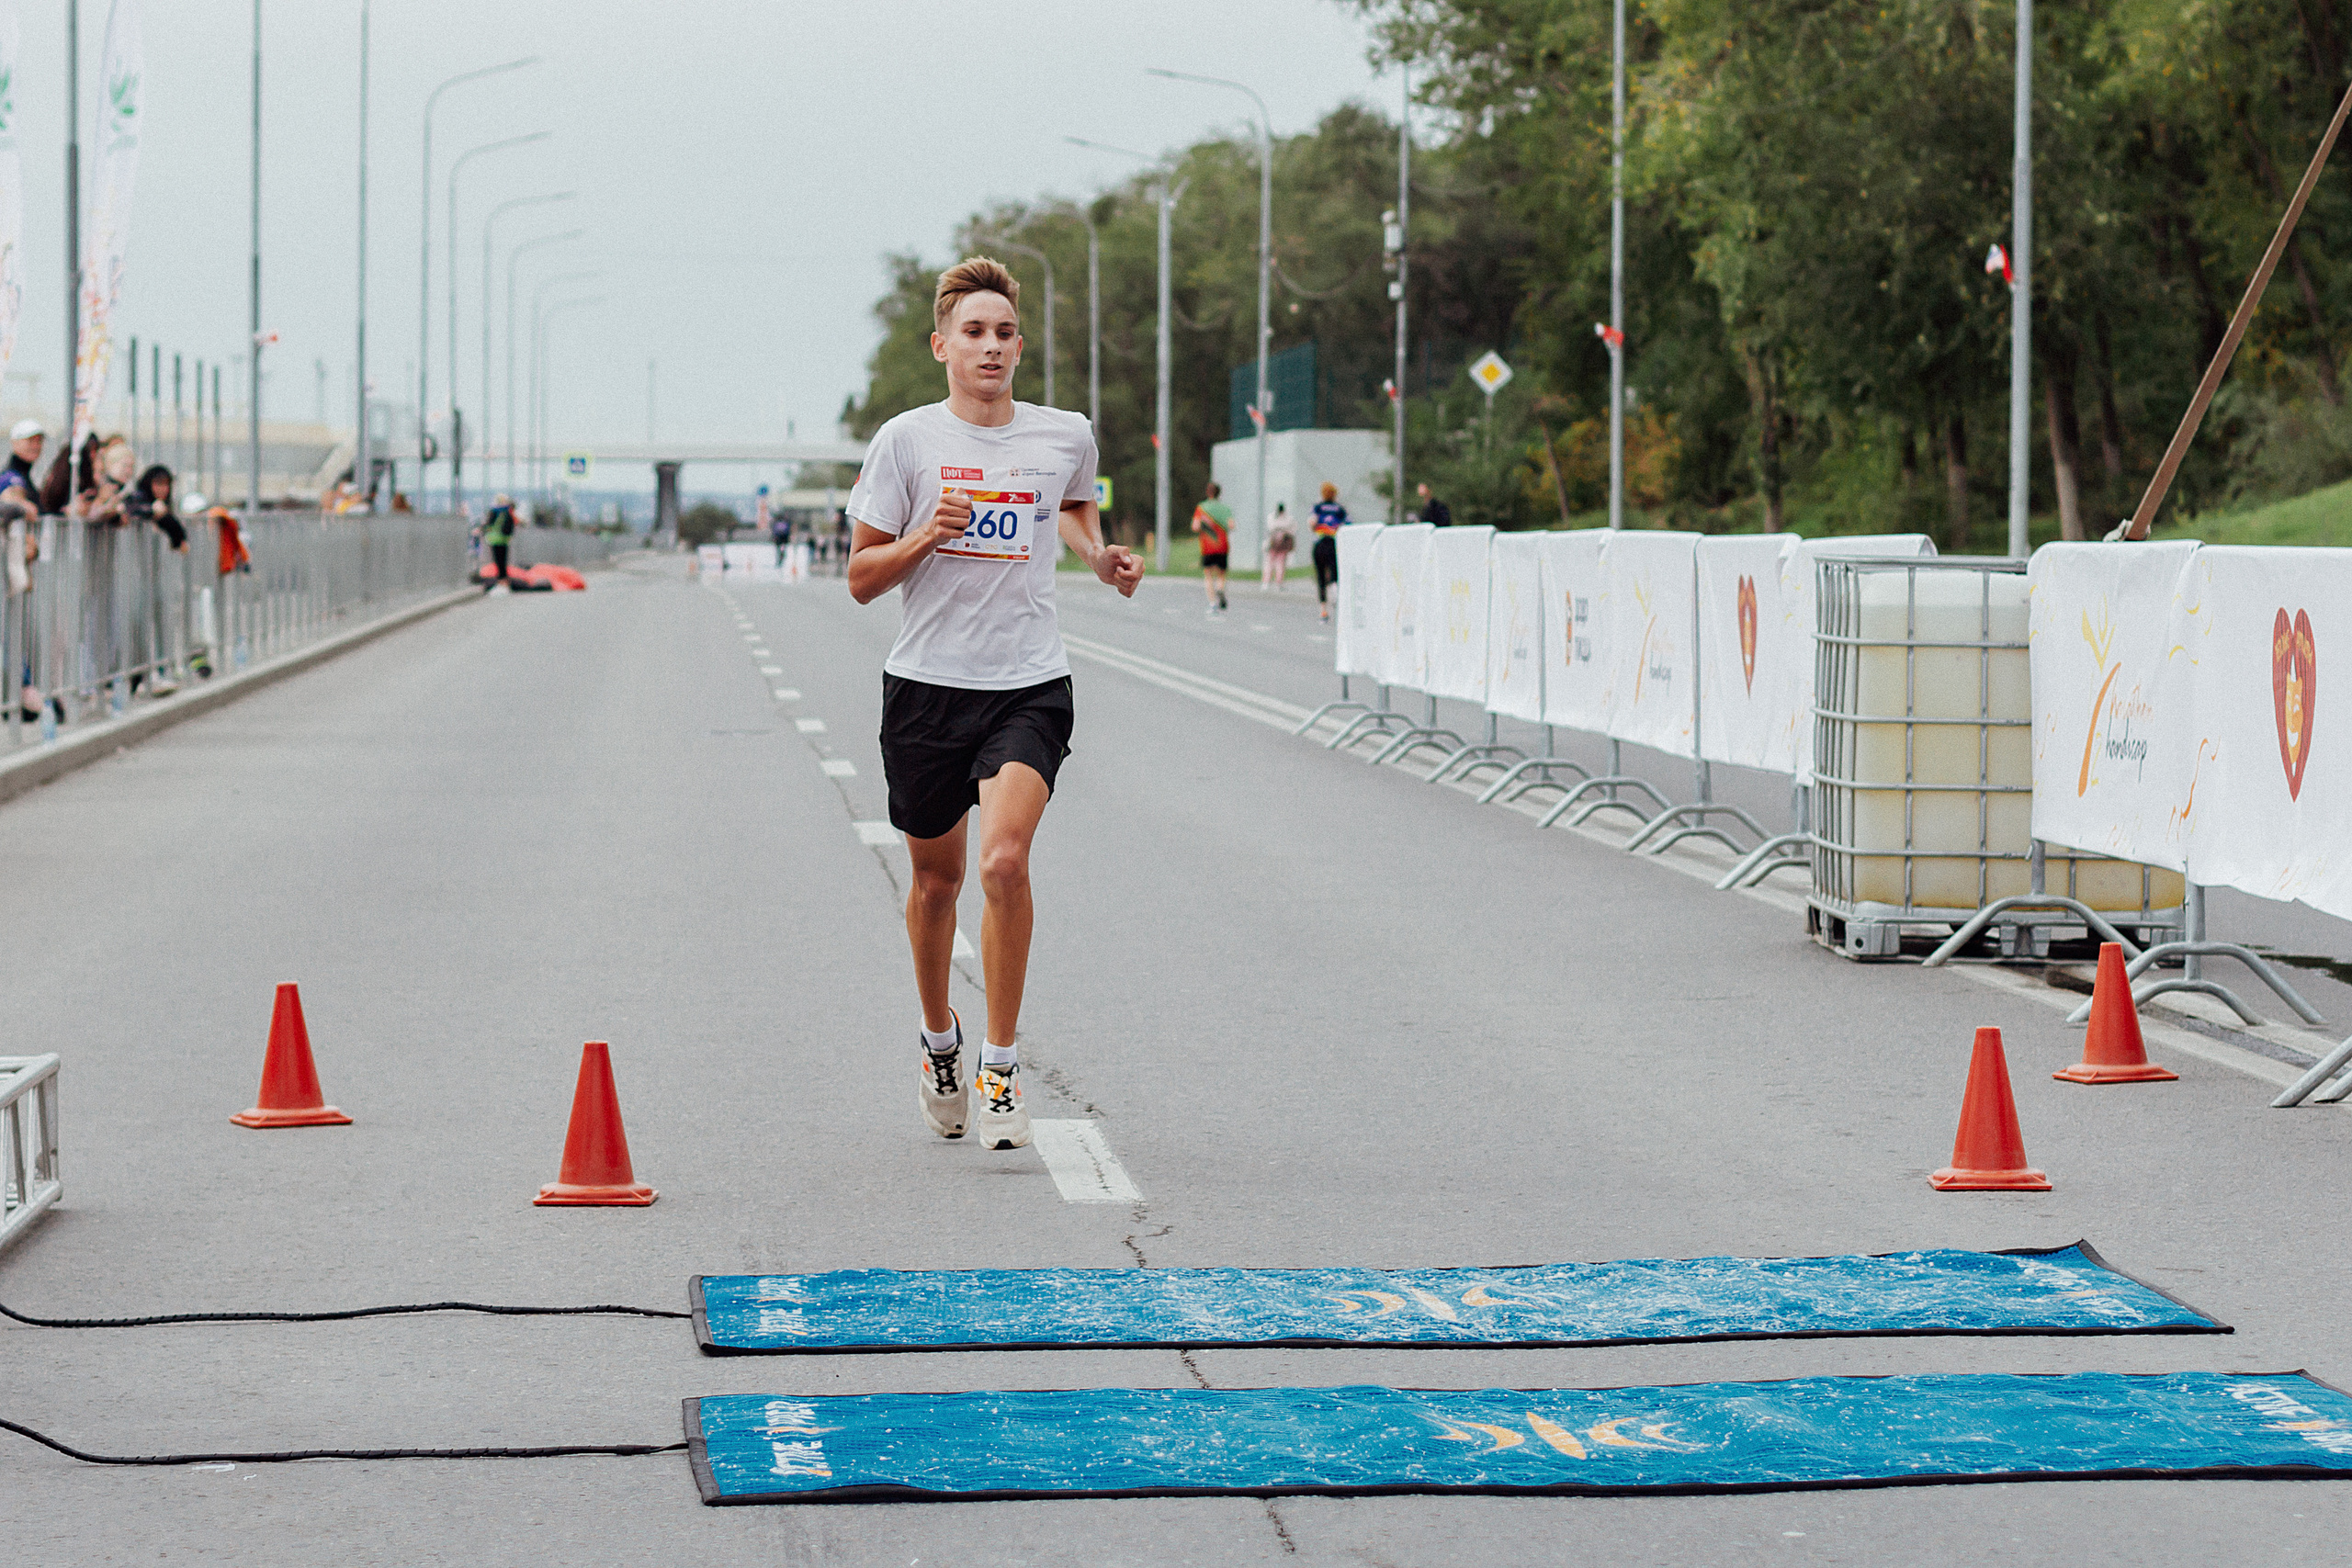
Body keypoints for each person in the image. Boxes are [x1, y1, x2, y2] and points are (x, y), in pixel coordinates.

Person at [845, 255, 1142, 1153]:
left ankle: (1000, 1068)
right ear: (941, 346)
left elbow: (1077, 509)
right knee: (935, 883)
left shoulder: (1062, 435)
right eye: (972, 332)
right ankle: (941, 1042)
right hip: (928, 691)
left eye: (1004, 332)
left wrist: (1099, 556)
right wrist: (922, 537)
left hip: (1027, 685)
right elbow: (860, 577)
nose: (990, 346)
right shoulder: (906, 442)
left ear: (1020, 347)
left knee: (1004, 864)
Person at [1192, 480, 1232, 615]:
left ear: (1207, 492)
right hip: (1222, 546)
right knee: (1221, 574)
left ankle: (1213, 603)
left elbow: (1195, 526)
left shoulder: (1202, 508)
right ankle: (1220, 589)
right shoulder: (1225, 508)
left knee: (1208, 576)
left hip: (1207, 547)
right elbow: (1231, 525)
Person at [1310, 481, 1346, 622]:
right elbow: (1347, 523)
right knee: (1334, 573)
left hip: (1319, 543)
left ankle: (1323, 611)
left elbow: (1311, 523)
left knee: (1320, 577)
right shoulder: (1339, 509)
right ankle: (1335, 592)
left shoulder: (1317, 508)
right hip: (1334, 544)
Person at [482, 494, 516, 590]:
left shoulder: (494, 511)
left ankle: (500, 580)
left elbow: (488, 524)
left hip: (494, 539)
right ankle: (505, 580)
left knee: (498, 560)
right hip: (504, 540)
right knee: (503, 560)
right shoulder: (508, 512)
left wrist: (482, 529)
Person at [1262, 502, 1295, 592]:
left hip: (1281, 543)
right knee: (1273, 563)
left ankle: (1276, 582)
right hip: (1274, 543)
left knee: (1276, 563)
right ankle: (1269, 582)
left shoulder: (1277, 518)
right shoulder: (1283, 518)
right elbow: (1291, 530)